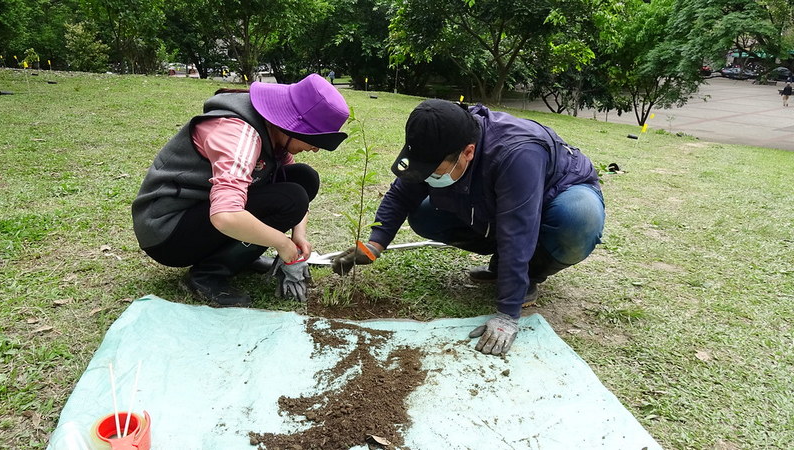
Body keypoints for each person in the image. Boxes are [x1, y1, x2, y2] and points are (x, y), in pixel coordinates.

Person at [331, 99, 605, 356]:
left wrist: (507, 314)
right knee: (425, 215)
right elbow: (401, 194)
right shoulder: (438, 137)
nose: (430, 177)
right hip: (495, 202)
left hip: (556, 196)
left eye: (435, 172)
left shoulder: (517, 152)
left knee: (579, 217)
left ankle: (530, 274)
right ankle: (504, 267)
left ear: (468, 152)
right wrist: (374, 244)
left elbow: (518, 232)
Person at [132, 73, 350, 306]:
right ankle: (208, 275)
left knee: (304, 179)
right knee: (291, 198)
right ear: (292, 127)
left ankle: (237, 257)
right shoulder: (239, 135)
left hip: (200, 210)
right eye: (314, 141)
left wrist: (299, 235)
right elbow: (226, 216)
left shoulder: (274, 130)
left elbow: (292, 185)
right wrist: (282, 243)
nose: (315, 149)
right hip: (166, 230)